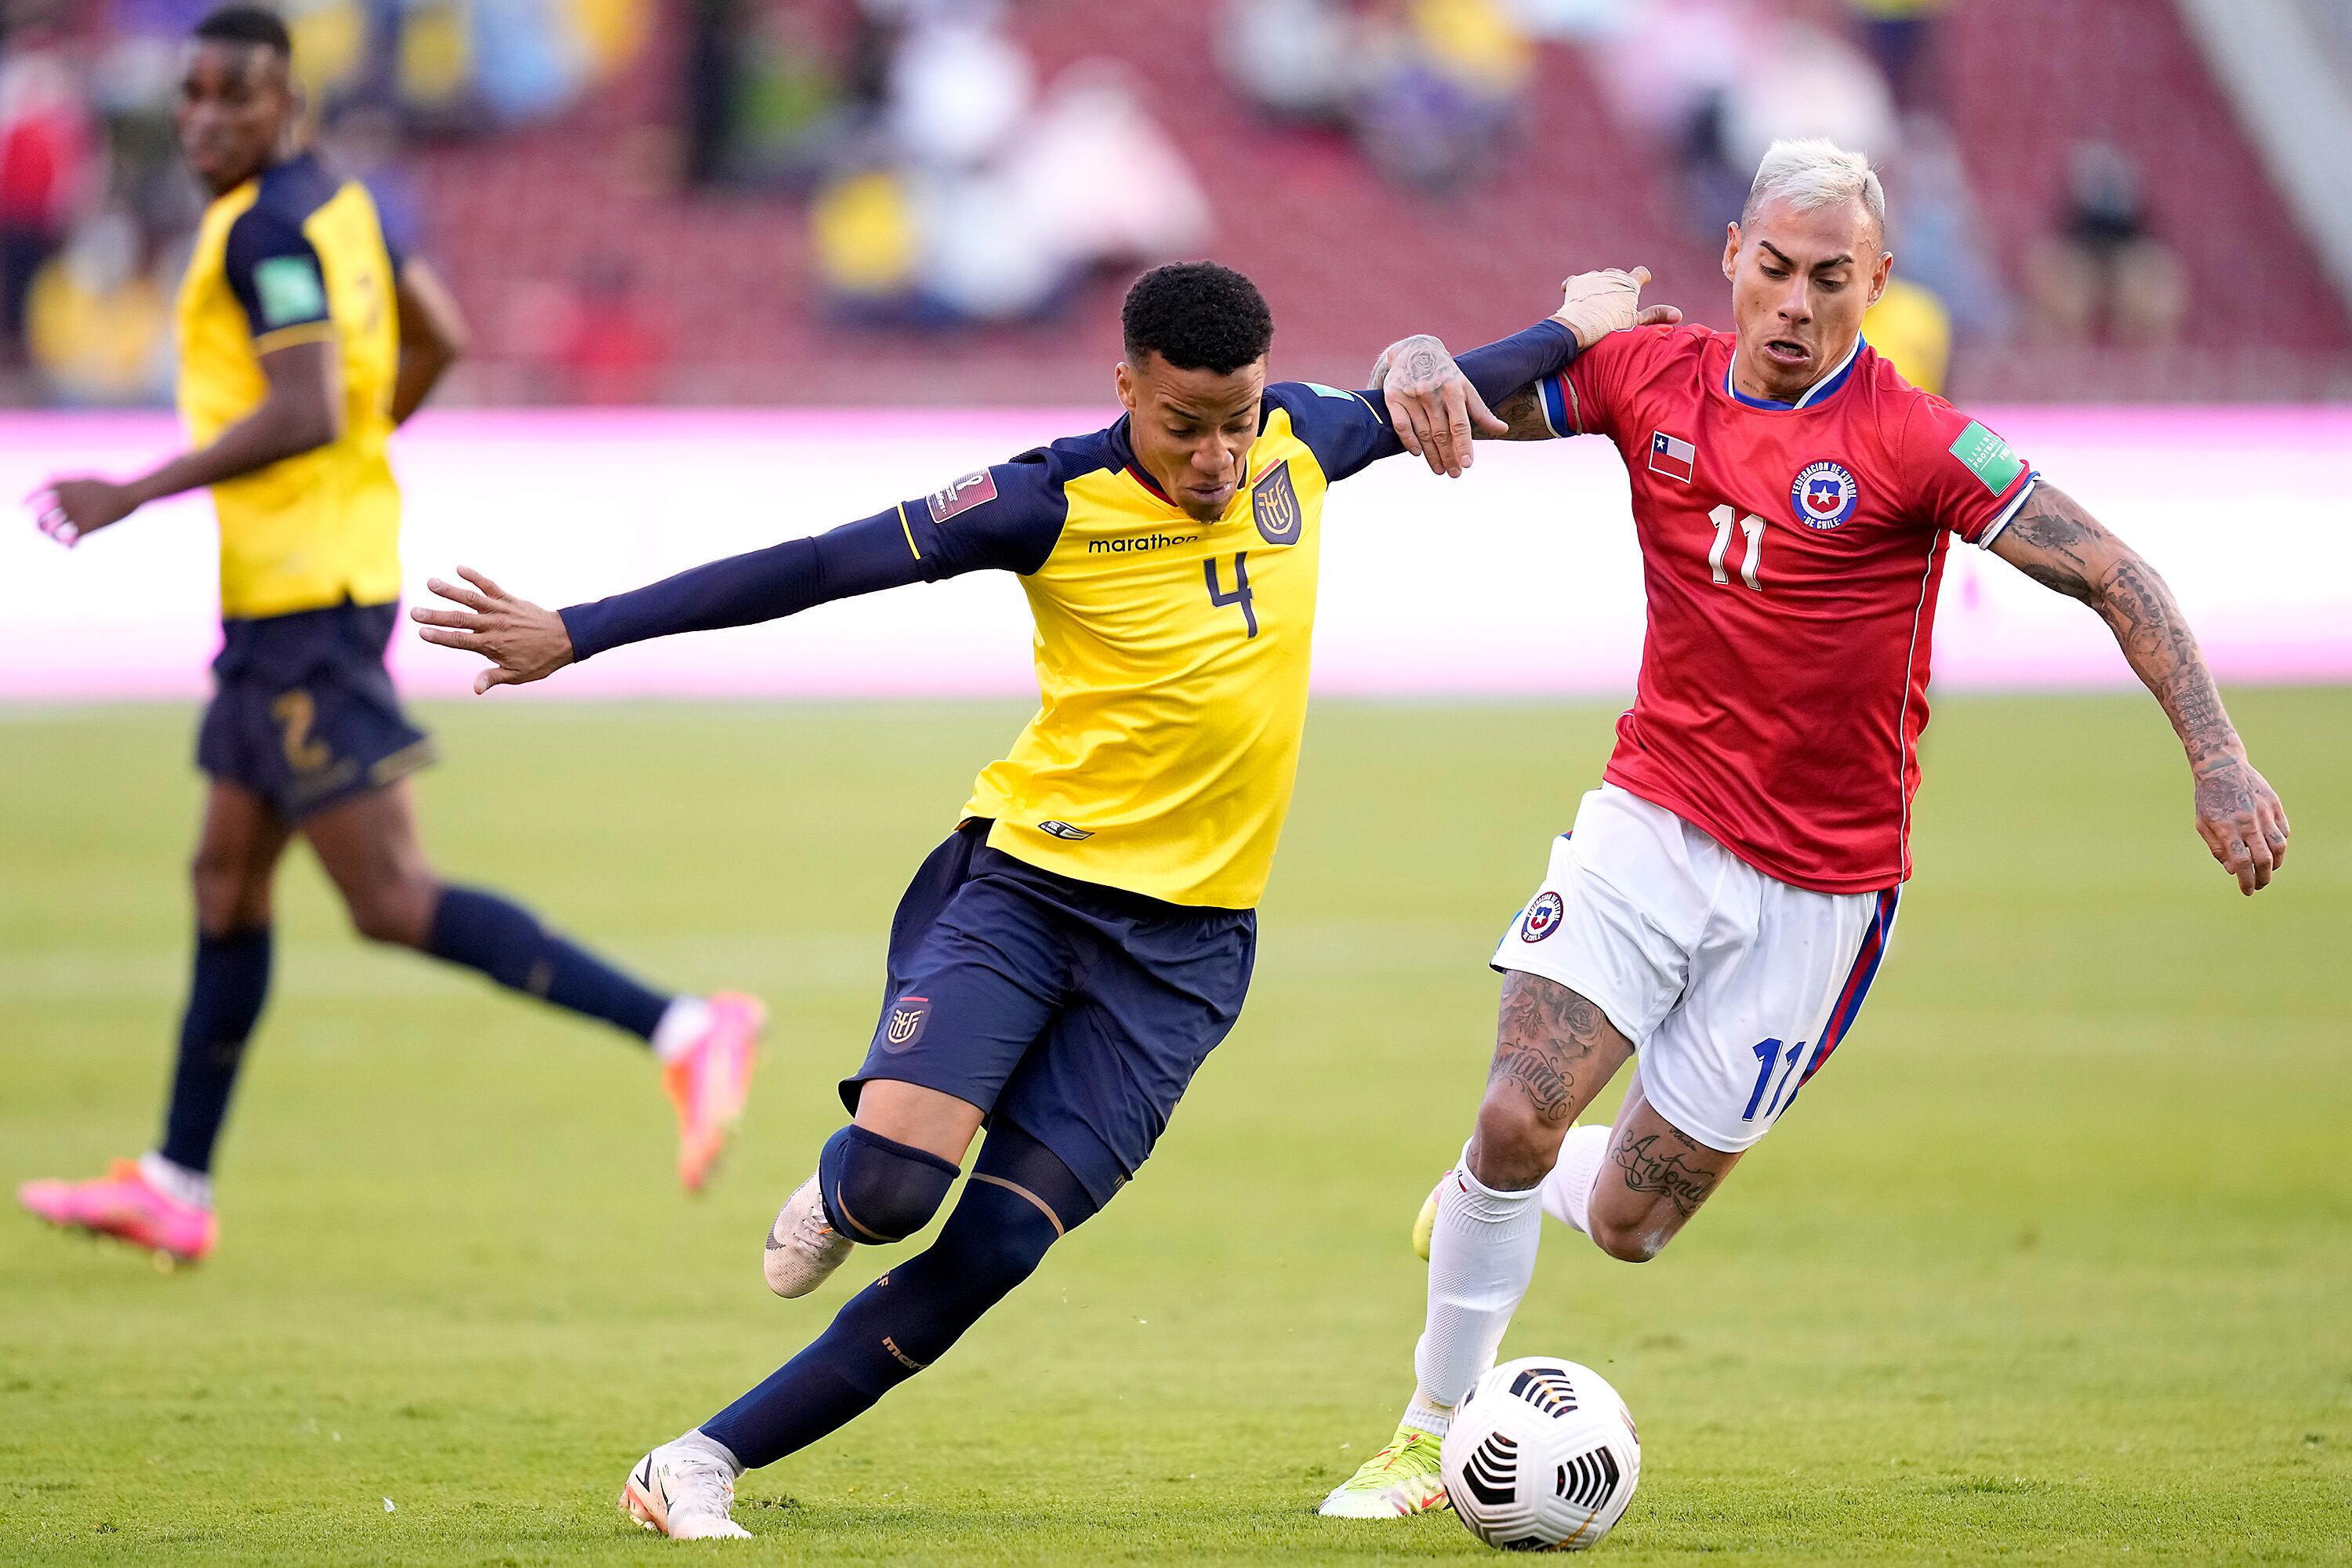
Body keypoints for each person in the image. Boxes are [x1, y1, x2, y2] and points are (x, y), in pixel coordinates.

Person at [412, 258, 1675, 1538]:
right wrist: (577, 629)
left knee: (1001, 1247)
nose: (1217, 457)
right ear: (1124, 385)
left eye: (1234, 421)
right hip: (1029, 892)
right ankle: (847, 1188)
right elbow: (816, 564)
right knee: (899, 1195)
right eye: (1183, 426)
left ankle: (696, 1461)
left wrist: (1573, 326)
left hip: (1183, 962)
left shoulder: (1303, 439)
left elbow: (1449, 390)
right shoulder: (1040, 499)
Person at [1320, 137, 2289, 1516]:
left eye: (1830, 280)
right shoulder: (1647, 373)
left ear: (1878, 282)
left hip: (1822, 891)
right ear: (1730, 256)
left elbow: (2114, 573)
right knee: (1515, 1108)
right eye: (1772, 269)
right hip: (1651, 817)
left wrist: (2220, 758)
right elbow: (1454, 401)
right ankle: (1429, 1428)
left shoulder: (1916, 441)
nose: (1793, 305)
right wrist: (1418, 349)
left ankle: (1513, 1189)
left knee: (1627, 1226)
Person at [16, 6, 764, 1269]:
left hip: (307, 604)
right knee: (225, 879)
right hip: (291, 598)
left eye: (232, 100)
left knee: (388, 899)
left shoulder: (262, 231)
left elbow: (307, 405)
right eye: (191, 97)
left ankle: (685, 1030)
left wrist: (135, 489)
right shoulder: (342, 204)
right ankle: (177, 1181)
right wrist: (360, 453)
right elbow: (438, 338)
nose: (204, 121)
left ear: (286, 103)